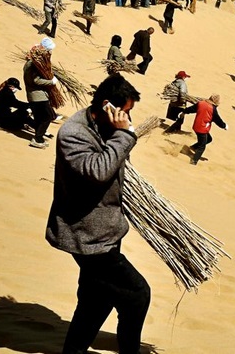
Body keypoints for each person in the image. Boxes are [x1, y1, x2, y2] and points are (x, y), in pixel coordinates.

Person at [46, 73, 150, 354]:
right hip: (87, 237)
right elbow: (99, 171)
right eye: (125, 111)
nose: (128, 118)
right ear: (107, 106)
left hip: (106, 230)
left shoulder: (104, 127)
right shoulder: (73, 134)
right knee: (137, 294)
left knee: (96, 298)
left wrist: (120, 135)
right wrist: (124, 135)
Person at [24, 38, 58, 148]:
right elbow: (36, 80)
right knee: (48, 116)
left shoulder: (35, 63)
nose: (50, 52)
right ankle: (37, 138)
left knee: (40, 117)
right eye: (49, 50)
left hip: (37, 96)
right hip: (38, 96)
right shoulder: (33, 64)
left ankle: (39, 137)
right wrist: (51, 82)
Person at [184, 94, 227, 165]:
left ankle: (193, 147)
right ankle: (194, 161)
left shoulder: (201, 103)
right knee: (202, 147)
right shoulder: (213, 109)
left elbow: (191, 109)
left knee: (209, 139)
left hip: (196, 126)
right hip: (202, 129)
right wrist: (224, 126)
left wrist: (184, 112)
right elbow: (218, 120)